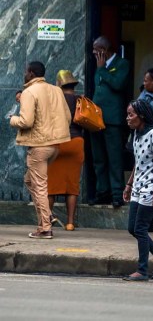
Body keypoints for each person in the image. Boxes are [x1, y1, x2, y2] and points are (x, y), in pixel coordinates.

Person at [10, 61, 71, 239]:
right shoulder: (56, 90)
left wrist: (12, 119)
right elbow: (67, 117)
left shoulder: (29, 92)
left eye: (25, 71)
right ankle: (48, 216)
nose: (24, 74)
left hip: (39, 146)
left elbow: (26, 121)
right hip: (55, 146)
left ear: (30, 73)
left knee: (39, 186)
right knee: (30, 181)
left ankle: (45, 228)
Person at [122, 100, 153, 281]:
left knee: (140, 229)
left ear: (141, 115)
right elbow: (138, 161)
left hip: (152, 187)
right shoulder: (136, 133)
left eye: (131, 114)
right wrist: (129, 184)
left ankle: (142, 270)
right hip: (138, 185)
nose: (128, 118)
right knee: (132, 228)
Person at [91, 36, 130, 207]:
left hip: (113, 120)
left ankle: (117, 194)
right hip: (95, 119)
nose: (93, 53)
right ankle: (102, 192)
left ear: (105, 51)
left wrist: (102, 70)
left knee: (114, 158)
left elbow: (118, 84)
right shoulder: (99, 66)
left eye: (96, 49)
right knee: (99, 158)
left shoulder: (122, 64)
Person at [47, 70, 84, 231]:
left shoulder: (55, 99)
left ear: (59, 84)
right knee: (72, 185)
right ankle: (70, 223)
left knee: (51, 186)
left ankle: (46, 220)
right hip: (77, 143)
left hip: (58, 143)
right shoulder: (80, 100)